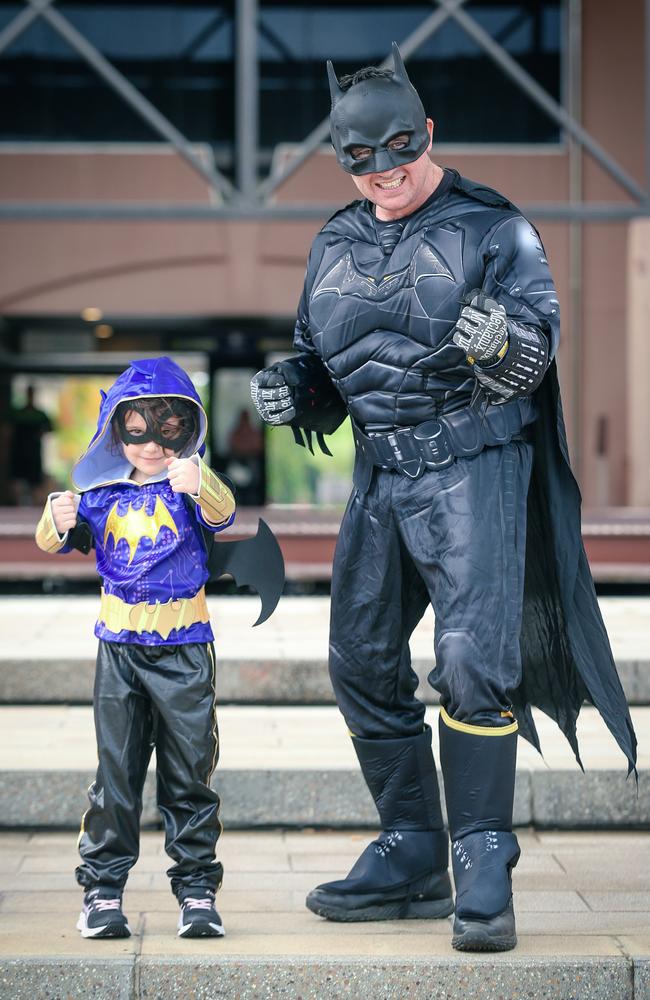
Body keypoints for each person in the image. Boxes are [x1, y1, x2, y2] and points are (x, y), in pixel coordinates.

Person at [251, 44, 637, 952]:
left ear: (428, 132)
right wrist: (295, 388)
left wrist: (499, 340)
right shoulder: (335, 240)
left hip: (475, 466)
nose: (383, 173)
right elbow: (327, 365)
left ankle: (482, 854)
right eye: (359, 158)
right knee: (359, 659)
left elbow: (535, 350)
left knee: (472, 660)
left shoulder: (497, 229)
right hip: (382, 475)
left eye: (397, 149)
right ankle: (414, 846)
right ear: (338, 157)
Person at [35, 357, 236, 940]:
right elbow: (56, 540)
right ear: (116, 429)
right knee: (116, 772)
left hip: (185, 646)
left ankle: (197, 888)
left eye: (167, 426)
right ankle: (102, 890)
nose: (150, 443)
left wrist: (202, 483)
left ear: (187, 426)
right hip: (119, 649)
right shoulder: (100, 495)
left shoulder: (189, 486)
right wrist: (56, 515)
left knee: (191, 769)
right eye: (137, 427)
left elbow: (222, 515)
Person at [10, 384, 53, 505]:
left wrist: (39, 434)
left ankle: (35, 508)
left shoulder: (39, 414)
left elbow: (50, 428)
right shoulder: (18, 413)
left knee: (35, 482)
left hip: (34, 452)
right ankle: (18, 507)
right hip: (19, 451)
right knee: (18, 480)